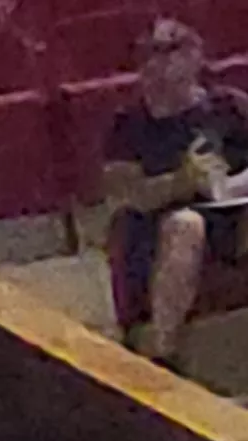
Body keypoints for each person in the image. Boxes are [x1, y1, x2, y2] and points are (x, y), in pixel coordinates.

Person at [105, 18, 248, 365]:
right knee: (186, 226)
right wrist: (182, 182)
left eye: (178, 50)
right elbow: (127, 195)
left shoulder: (229, 106)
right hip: (161, 224)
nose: (168, 63)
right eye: (156, 54)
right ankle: (163, 353)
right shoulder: (128, 125)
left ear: (197, 56)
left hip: (231, 210)